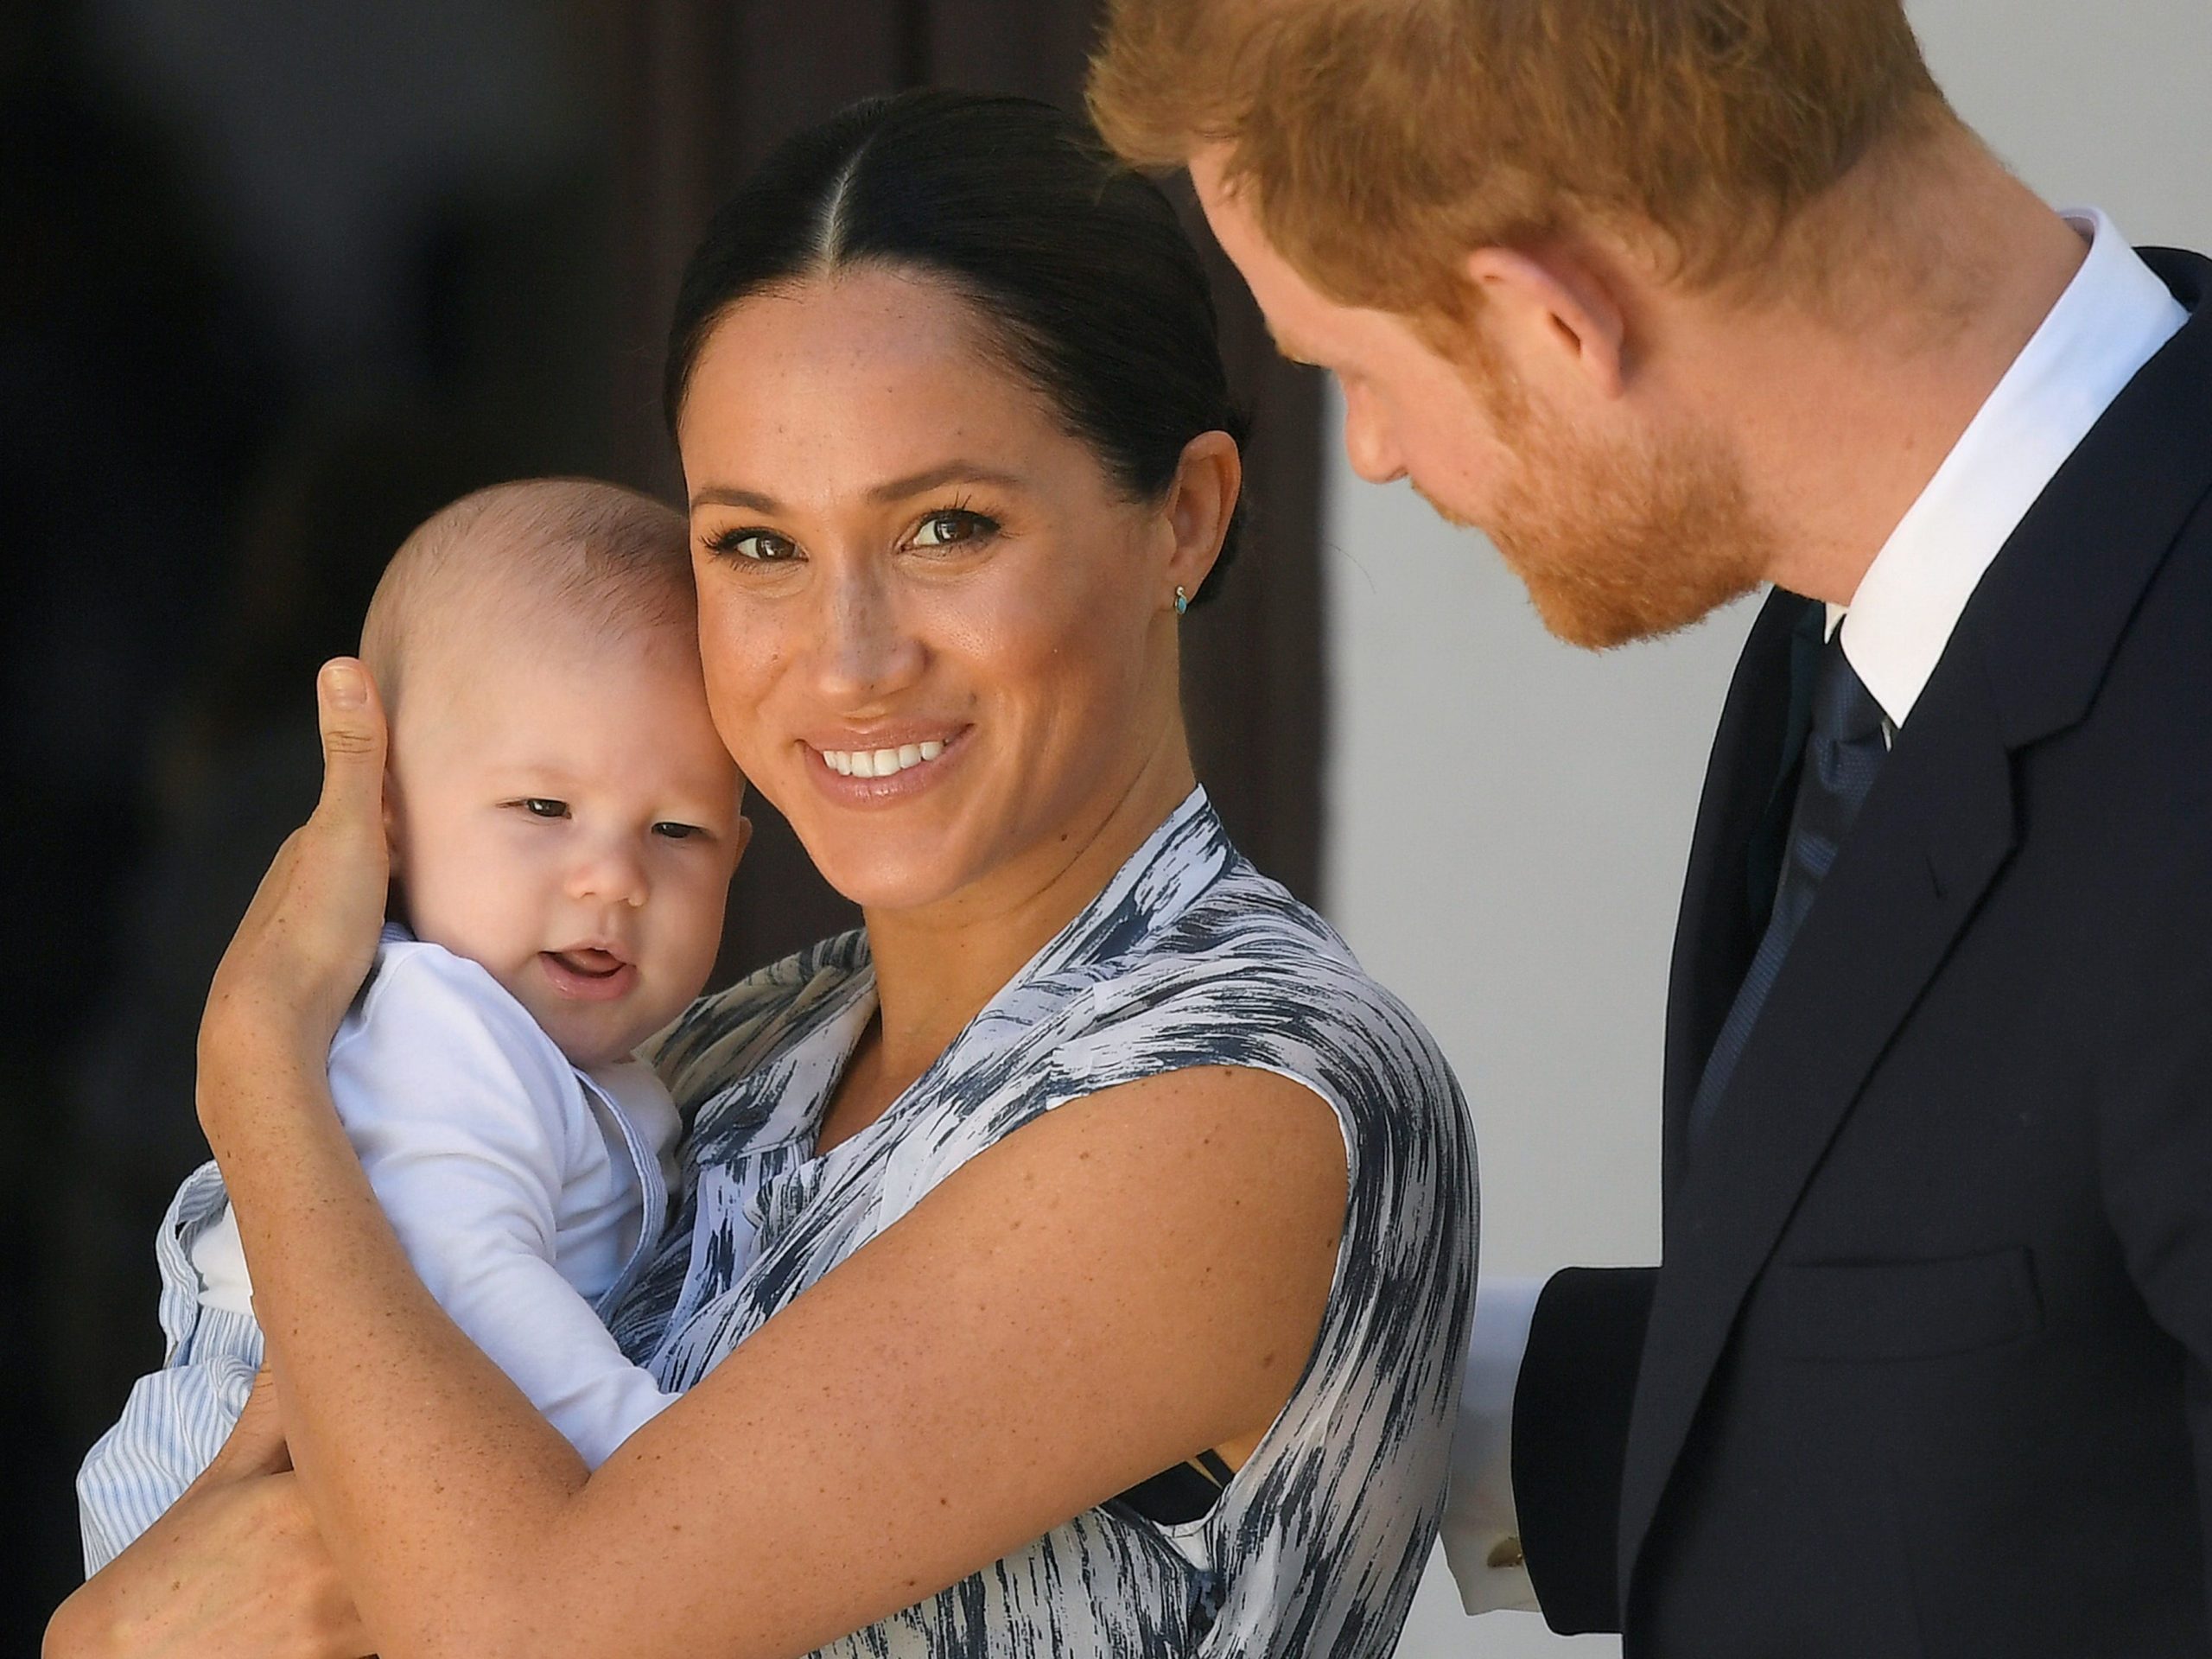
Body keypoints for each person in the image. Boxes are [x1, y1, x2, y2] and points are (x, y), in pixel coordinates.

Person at [45, 90, 1477, 1659]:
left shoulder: (1243, 1093)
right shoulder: (730, 1055)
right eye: (757, 547)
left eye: (945, 526)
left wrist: (259, 1066)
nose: (847, 661)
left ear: (1183, 519)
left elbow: (529, 1628)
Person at [1090, 2, 2212, 1655]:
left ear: (1553, 319)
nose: (1380, 457)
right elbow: (2016, 1405)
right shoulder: (1888, 607)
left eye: (1349, 371)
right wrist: (1315, 1357)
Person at [76, 478, 747, 1571]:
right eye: (544, 808)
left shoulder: (594, 1059)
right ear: (384, 817)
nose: (614, 878)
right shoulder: (441, 1028)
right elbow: (468, 1278)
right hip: (250, 1485)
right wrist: (650, 1462)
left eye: (678, 831)